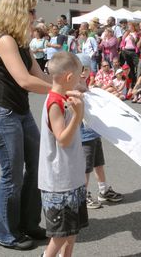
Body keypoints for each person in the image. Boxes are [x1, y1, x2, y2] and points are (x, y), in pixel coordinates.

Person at [0, 0, 54, 250]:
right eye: (31, 11)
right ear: (18, 12)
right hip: (0, 114)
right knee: (12, 176)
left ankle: (29, 225)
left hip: (19, 113)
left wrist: (71, 83)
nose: (35, 16)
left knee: (37, 167)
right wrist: (62, 90)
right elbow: (25, 81)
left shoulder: (21, 42)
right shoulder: (4, 41)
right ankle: (7, 234)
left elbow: (39, 75)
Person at [38, 52, 87, 257]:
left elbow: (78, 88)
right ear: (68, 77)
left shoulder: (63, 94)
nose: (79, 82)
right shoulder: (55, 102)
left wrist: (82, 89)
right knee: (59, 235)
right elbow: (63, 139)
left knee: (71, 229)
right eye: (77, 78)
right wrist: (78, 116)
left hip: (71, 176)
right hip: (59, 181)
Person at [76, 53, 124, 209]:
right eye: (81, 69)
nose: (84, 72)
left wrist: (106, 94)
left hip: (94, 131)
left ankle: (103, 191)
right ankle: (83, 195)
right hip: (84, 135)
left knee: (99, 163)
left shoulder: (86, 84)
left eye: (87, 69)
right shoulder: (75, 86)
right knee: (86, 168)